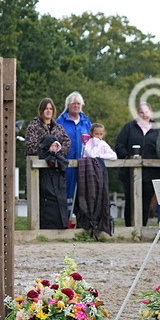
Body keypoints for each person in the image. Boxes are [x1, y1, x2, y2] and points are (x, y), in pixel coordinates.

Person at [23, 98, 70, 230]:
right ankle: (36, 226)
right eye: (46, 109)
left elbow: (67, 141)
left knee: (55, 198)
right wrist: (47, 149)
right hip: (39, 171)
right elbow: (30, 146)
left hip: (54, 172)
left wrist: (57, 151)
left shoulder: (58, 127)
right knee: (39, 198)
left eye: (50, 109)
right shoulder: (33, 126)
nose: (48, 111)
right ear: (41, 110)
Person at [113, 103, 160, 227]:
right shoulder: (129, 128)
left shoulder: (157, 130)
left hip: (151, 173)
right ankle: (129, 228)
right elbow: (119, 145)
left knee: (146, 201)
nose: (144, 115)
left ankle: (142, 228)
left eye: (147, 112)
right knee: (130, 200)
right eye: (141, 112)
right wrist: (128, 157)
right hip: (129, 172)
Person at [58, 91, 93, 222]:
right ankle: (65, 219)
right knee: (67, 191)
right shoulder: (61, 121)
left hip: (84, 163)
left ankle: (83, 220)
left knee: (83, 191)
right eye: (73, 103)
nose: (76, 106)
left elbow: (92, 140)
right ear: (68, 105)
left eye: (78, 103)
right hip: (67, 163)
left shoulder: (86, 122)